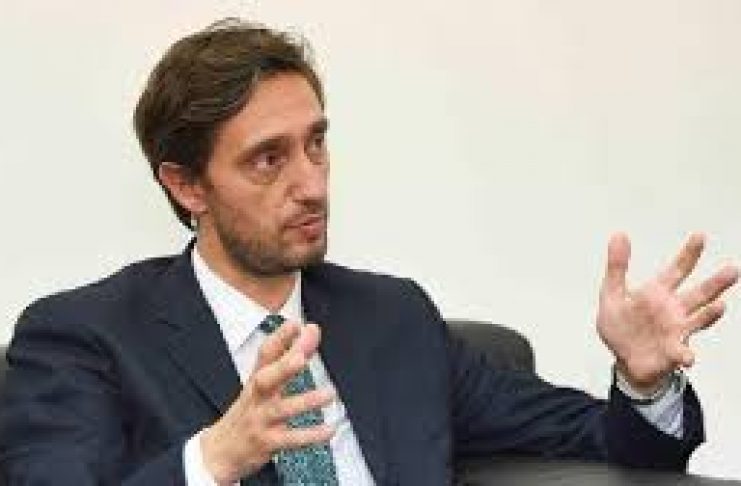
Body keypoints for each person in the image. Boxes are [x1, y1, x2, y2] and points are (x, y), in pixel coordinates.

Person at [0, 18, 737, 486]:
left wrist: (643, 381)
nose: (311, 184)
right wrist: (214, 458)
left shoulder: (392, 318)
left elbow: (611, 447)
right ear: (187, 184)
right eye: (268, 159)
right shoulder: (84, 337)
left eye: (316, 144)